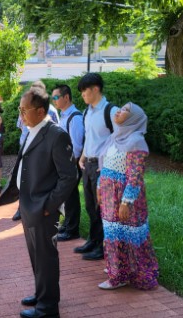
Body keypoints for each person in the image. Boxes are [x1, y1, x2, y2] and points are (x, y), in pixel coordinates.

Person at [0, 87, 77, 318]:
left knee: (46, 258)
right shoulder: (32, 129)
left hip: (43, 209)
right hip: (28, 205)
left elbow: (69, 176)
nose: (21, 115)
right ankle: (43, 293)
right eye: (20, 110)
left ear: (41, 111)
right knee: (36, 257)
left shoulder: (56, 135)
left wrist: (48, 205)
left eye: (24, 110)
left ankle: (48, 308)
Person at [97, 102, 159, 290]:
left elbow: (135, 176)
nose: (119, 112)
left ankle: (125, 274)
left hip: (125, 198)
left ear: (134, 118)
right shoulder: (115, 137)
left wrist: (126, 202)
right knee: (113, 233)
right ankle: (119, 269)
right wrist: (100, 188)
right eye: (121, 108)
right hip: (109, 195)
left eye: (126, 111)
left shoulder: (136, 141)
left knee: (130, 234)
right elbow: (105, 166)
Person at [75, 73, 118, 261]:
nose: (82, 94)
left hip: (104, 168)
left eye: (84, 90)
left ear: (95, 89)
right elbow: (89, 139)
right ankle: (93, 241)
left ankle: (102, 247)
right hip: (88, 165)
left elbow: (120, 141)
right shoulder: (87, 112)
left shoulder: (111, 111)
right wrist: (82, 158)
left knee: (103, 207)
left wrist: (109, 164)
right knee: (91, 206)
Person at [12, 81, 60, 222]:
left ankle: (40, 207)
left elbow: (55, 130)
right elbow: (21, 126)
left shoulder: (50, 110)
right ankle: (22, 208)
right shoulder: (25, 107)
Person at [52, 84, 85, 241]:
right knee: (67, 196)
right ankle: (67, 226)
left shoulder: (75, 117)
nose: (54, 100)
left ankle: (73, 230)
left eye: (56, 97)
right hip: (63, 164)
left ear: (66, 97)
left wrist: (69, 164)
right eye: (53, 97)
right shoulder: (64, 115)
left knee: (71, 197)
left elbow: (77, 147)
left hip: (72, 164)